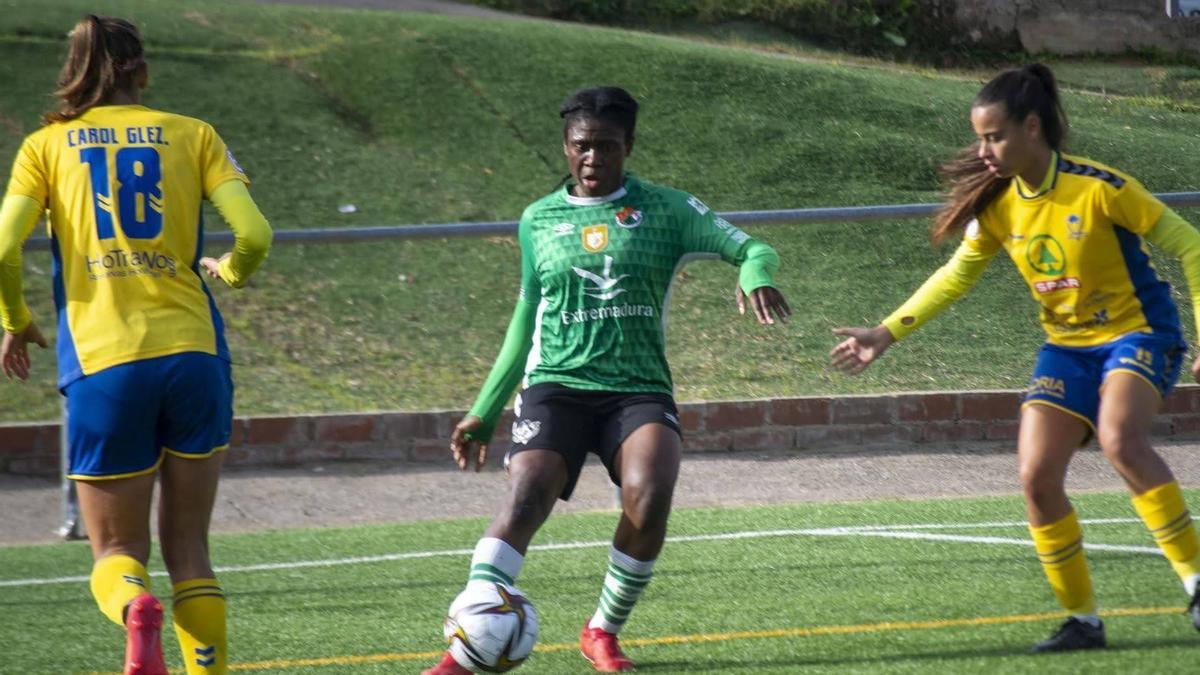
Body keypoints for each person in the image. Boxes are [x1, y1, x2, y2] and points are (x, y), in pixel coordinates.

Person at [830, 63, 1200, 652]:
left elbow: (1190, 242)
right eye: (980, 138)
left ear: (1032, 127)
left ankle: (1196, 581)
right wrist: (885, 333)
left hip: (1140, 333)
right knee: (1034, 477)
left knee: (1120, 438)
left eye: (993, 136)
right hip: (1067, 349)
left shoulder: (1100, 187)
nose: (983, 151)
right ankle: (1083, 620)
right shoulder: (1000, 206)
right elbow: (956, 276)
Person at [422, 86, 790, 674]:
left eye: (607, 148)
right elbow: (525, 317)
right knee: (526, 495)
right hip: (556, 383)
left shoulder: (666, 209)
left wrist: (754, 274)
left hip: (637, 387)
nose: (593, 159)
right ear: (565, 148)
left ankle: (601, 631)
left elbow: (750, 245)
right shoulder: (538, 219)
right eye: (582, 147)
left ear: (629, 146)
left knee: (650, 497)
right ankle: (463, 653)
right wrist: (485, 409)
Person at [0, 16, 272, 675]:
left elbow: (4, 245)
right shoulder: (193, 134)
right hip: (194, 355)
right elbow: (255, 234)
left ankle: (134, 609)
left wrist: (15, 316)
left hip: (104, 363)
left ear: (72, 71)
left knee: (118, 551)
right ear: (141, 69)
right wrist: (229, 272)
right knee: (191, 552)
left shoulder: (45, 146)